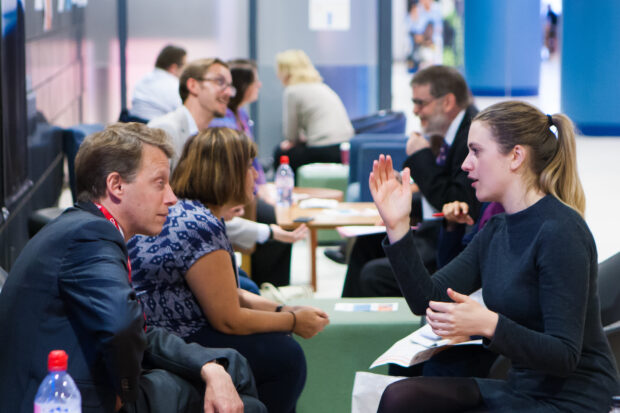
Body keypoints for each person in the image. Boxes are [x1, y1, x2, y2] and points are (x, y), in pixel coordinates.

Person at [0, 123, 266, 413]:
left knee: (230, 365)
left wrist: (208, 366)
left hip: (84, 382)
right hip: (70, 399)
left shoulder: (83, 227)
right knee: (248, 404)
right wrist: (125, 388)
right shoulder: (90, 235)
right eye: (160, 182)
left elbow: (136, 328)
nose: (172, 197)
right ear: (116, 186)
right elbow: (121, 325)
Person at [371, 101, 618, 412]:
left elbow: (564, 355)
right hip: (523, 389)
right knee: (400, 396)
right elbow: (428, 299)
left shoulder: (561, 232)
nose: (465, 164)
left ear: (515, 156)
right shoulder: (497, 228)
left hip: (572, 398)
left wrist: (489, 324)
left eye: (476, 151)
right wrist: (398, 228)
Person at [128, 127, 329, 413]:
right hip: (171, 340)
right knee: (286, 357)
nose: (256, 175)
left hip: (159, 330)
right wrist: (294, 323)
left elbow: (226, 292)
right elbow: (229, 320)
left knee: (252, 296)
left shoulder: (187, 211)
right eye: (249, 166)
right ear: (228, 172)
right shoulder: (200, 225)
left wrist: (283, 311)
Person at [149, 58, 305, 285]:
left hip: (200, 231)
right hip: (176, 244)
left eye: (230, 86)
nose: (229, 93)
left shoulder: (207, 134)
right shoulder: (167, 131)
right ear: (193, 85)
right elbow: (171, 210)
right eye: (220, 82)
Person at [341, 65, 480, 298]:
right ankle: (350, 324)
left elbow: (456, 202)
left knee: (373, 274)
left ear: (447, 102)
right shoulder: (447, 133)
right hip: (434, 233)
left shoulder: (471, 134)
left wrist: (420, 157)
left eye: (421, 103)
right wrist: (402, 196)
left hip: (451, 245)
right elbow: (440, 193)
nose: (415, 111)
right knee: (363, 245)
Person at [210, 59, 292, 286]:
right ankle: (268, 283)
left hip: (248, 186)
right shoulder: (221, 120)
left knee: (279, 213)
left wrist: (264, 186)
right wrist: (256, 190)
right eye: (256, 81)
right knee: (274, 219)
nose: (260, 85)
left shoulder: (242, 115)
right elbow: (232, 166)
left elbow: (252, 160)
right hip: (232, 189)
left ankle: (275, 285)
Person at [273, 49, 354, 173]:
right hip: (345, 148)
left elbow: (290, 136)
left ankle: (290, 190)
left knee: (280, 153)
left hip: (323, 149)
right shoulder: (322, 87)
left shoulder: (292, 91)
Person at [130, 44, 186, 121]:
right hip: (156, 129)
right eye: (185, 66)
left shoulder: (143, 79)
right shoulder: (174, 85)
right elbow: (184, 115)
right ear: (173, 68)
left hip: (133, 126)